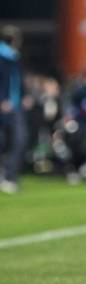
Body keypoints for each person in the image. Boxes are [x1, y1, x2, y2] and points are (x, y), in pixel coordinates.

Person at [0, 25, 27, 194]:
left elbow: (17, 81)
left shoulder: (14, 57)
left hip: (15, 106)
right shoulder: (3, 57)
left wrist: (24, 96)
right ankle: (7, 176)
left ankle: (9, 174)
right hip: (5, 105)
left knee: (18, 140)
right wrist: (2, 100)